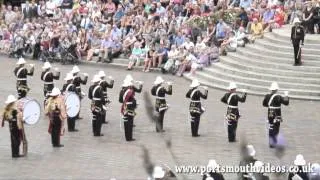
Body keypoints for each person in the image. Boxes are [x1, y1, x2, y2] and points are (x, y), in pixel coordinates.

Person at [263, 82, 289, 148]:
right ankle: (274, 142)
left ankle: (271, 143)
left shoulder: (267, 96)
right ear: (276, 90)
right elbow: (286, 103)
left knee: (271, 127)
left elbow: (264, 104)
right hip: (276, 114)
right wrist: (286, 96)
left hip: (270, 113)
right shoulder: (278, 97)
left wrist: (270, 106)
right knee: (276, 128)